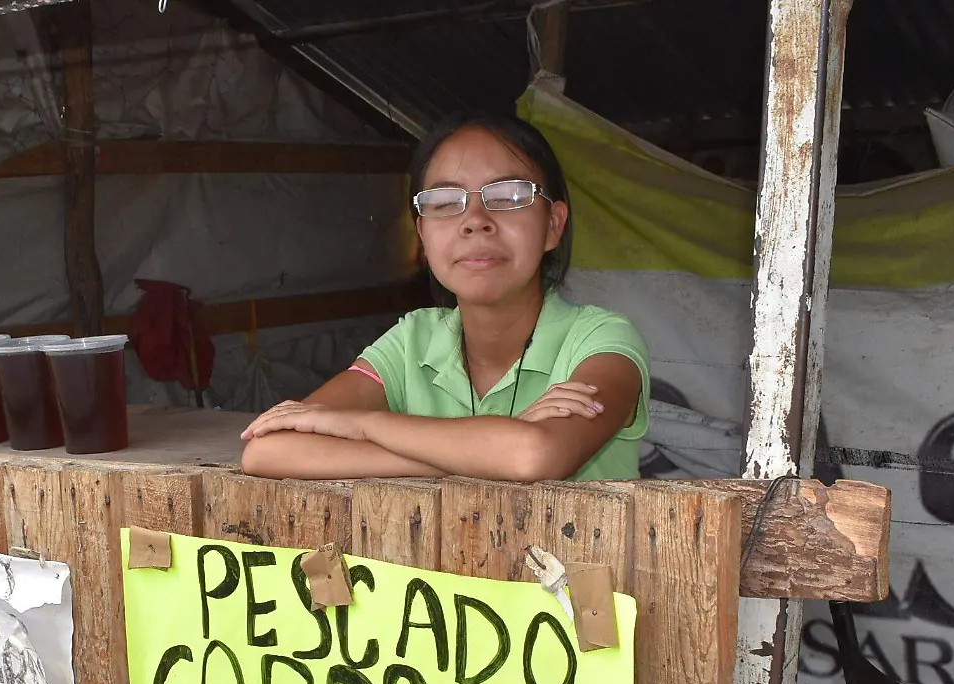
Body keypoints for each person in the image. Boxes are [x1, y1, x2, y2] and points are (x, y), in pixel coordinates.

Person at [240, 111, 650, 483]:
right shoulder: (411, 342)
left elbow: (532, 455)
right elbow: (269, 450)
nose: (475, 221)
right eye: (445, 202)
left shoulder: (602, 344)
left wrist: (364, 426)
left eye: (508, 196)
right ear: (422, 234)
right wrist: (485, 453)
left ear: (553, 225)